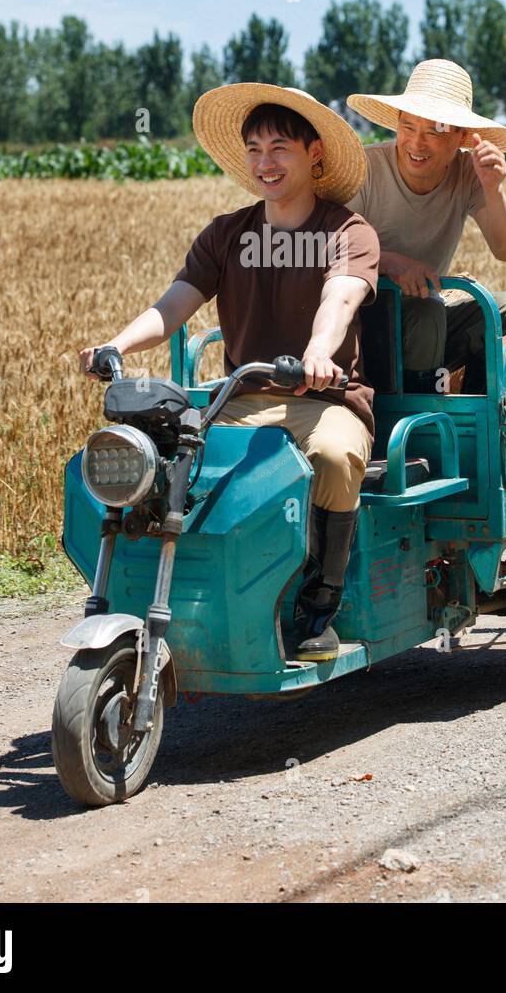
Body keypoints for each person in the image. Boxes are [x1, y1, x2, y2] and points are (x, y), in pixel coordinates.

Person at [80, 84, 379, 663]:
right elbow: (171, 308)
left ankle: (318, 607)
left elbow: (338, 301)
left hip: (324, 398)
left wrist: (319, 352)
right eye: (254, 149)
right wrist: (113, 343)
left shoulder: (348, 230)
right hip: (236, 398)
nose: (265, 163)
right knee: (161, 460)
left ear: (314, 153)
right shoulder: (226, 234)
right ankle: (173, 597)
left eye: (280, 148)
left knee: (338, 458)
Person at [346, 58, 506, 393]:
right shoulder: (365, 169)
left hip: (428, 317)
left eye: (435, 131)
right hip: (361, 326)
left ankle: (483, 423)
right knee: (427, 311)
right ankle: (421, 425)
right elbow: (329, 247)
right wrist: (392, 263)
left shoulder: (467, 173)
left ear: (461, 137)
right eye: (409, 128)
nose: (417, 144)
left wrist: (494, 188)